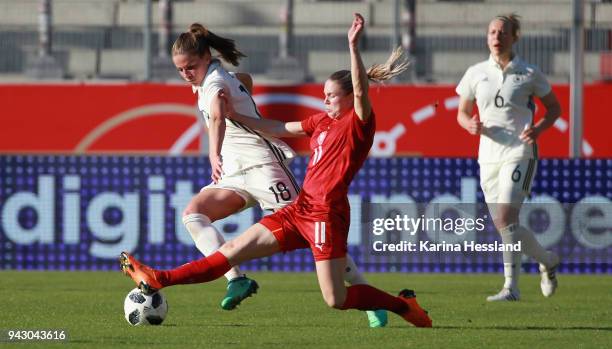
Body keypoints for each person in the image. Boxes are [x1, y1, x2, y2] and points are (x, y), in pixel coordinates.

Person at [120, 13, 432, 328]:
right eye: (323, 95)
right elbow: (280, 125)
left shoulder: (358, 124)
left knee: (334, 298)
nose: (324, 101)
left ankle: (391, 303)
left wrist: (353, 47)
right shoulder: (321, 121)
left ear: (351, 96)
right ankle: (163, 277)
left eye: (332, 96)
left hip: (321, 209)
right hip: (296, 207)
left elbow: (362, 93)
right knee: (225, 245)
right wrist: (239, 113)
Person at [455, 13, 561, 301]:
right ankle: (548, 261)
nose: (496, 37)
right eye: (492, 32)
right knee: (505, 225)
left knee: (505, 216)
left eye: (502, 32)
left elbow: (554, 108)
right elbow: (462, 113)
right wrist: (470, 124)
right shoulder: (476, 72)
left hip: (519, 151)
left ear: (515, 37)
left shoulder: (528, 72)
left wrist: (538, 129)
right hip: (488, 155)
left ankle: (511, 287)